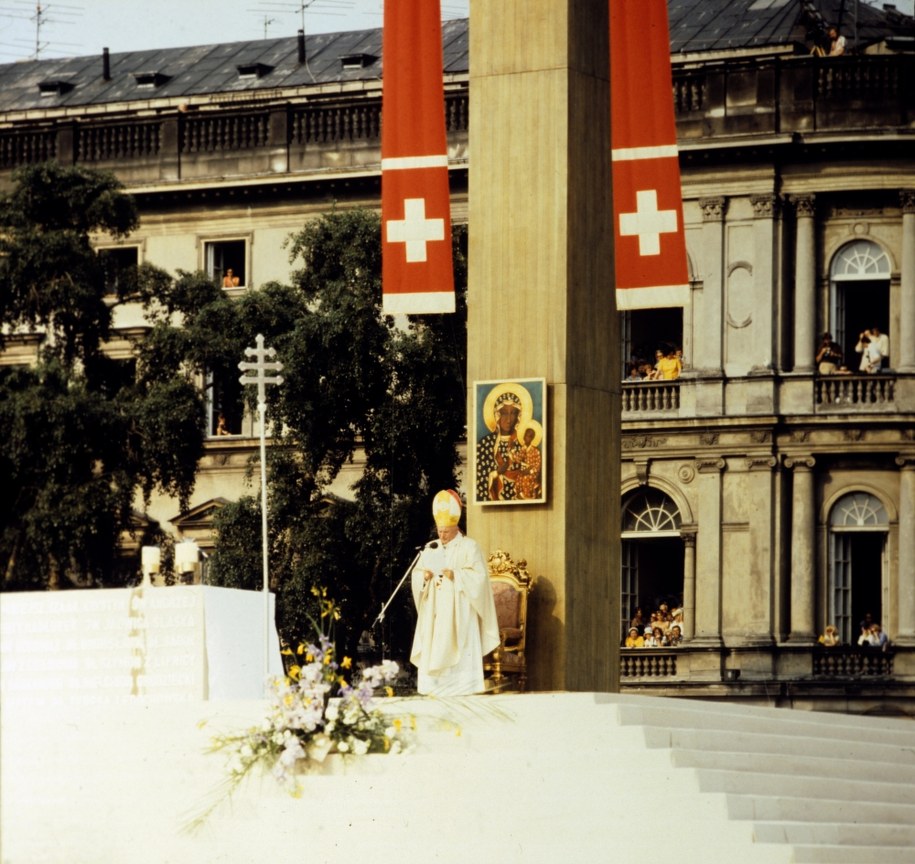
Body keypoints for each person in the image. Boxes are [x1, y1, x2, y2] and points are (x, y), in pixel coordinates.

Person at [410, 489, 500, 695]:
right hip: (436, 610)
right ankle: (434, 687)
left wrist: (456, 575)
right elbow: (417, 574)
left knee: (460, 651)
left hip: (460, 610)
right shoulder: (431, 548)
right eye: (440, 531)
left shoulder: (470, 547)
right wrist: (424, 577)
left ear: (456, 527)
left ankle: (462, 687)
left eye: (446, 532)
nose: (442, 536)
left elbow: (479, 578)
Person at [475, 387, 527, 501]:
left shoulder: (522, 444)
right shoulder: (485, 444)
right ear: (497, 415)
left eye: (513, 413)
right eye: (504, 413)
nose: (509, 419)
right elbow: (479, 479)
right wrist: (497, 472)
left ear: (518, 416)